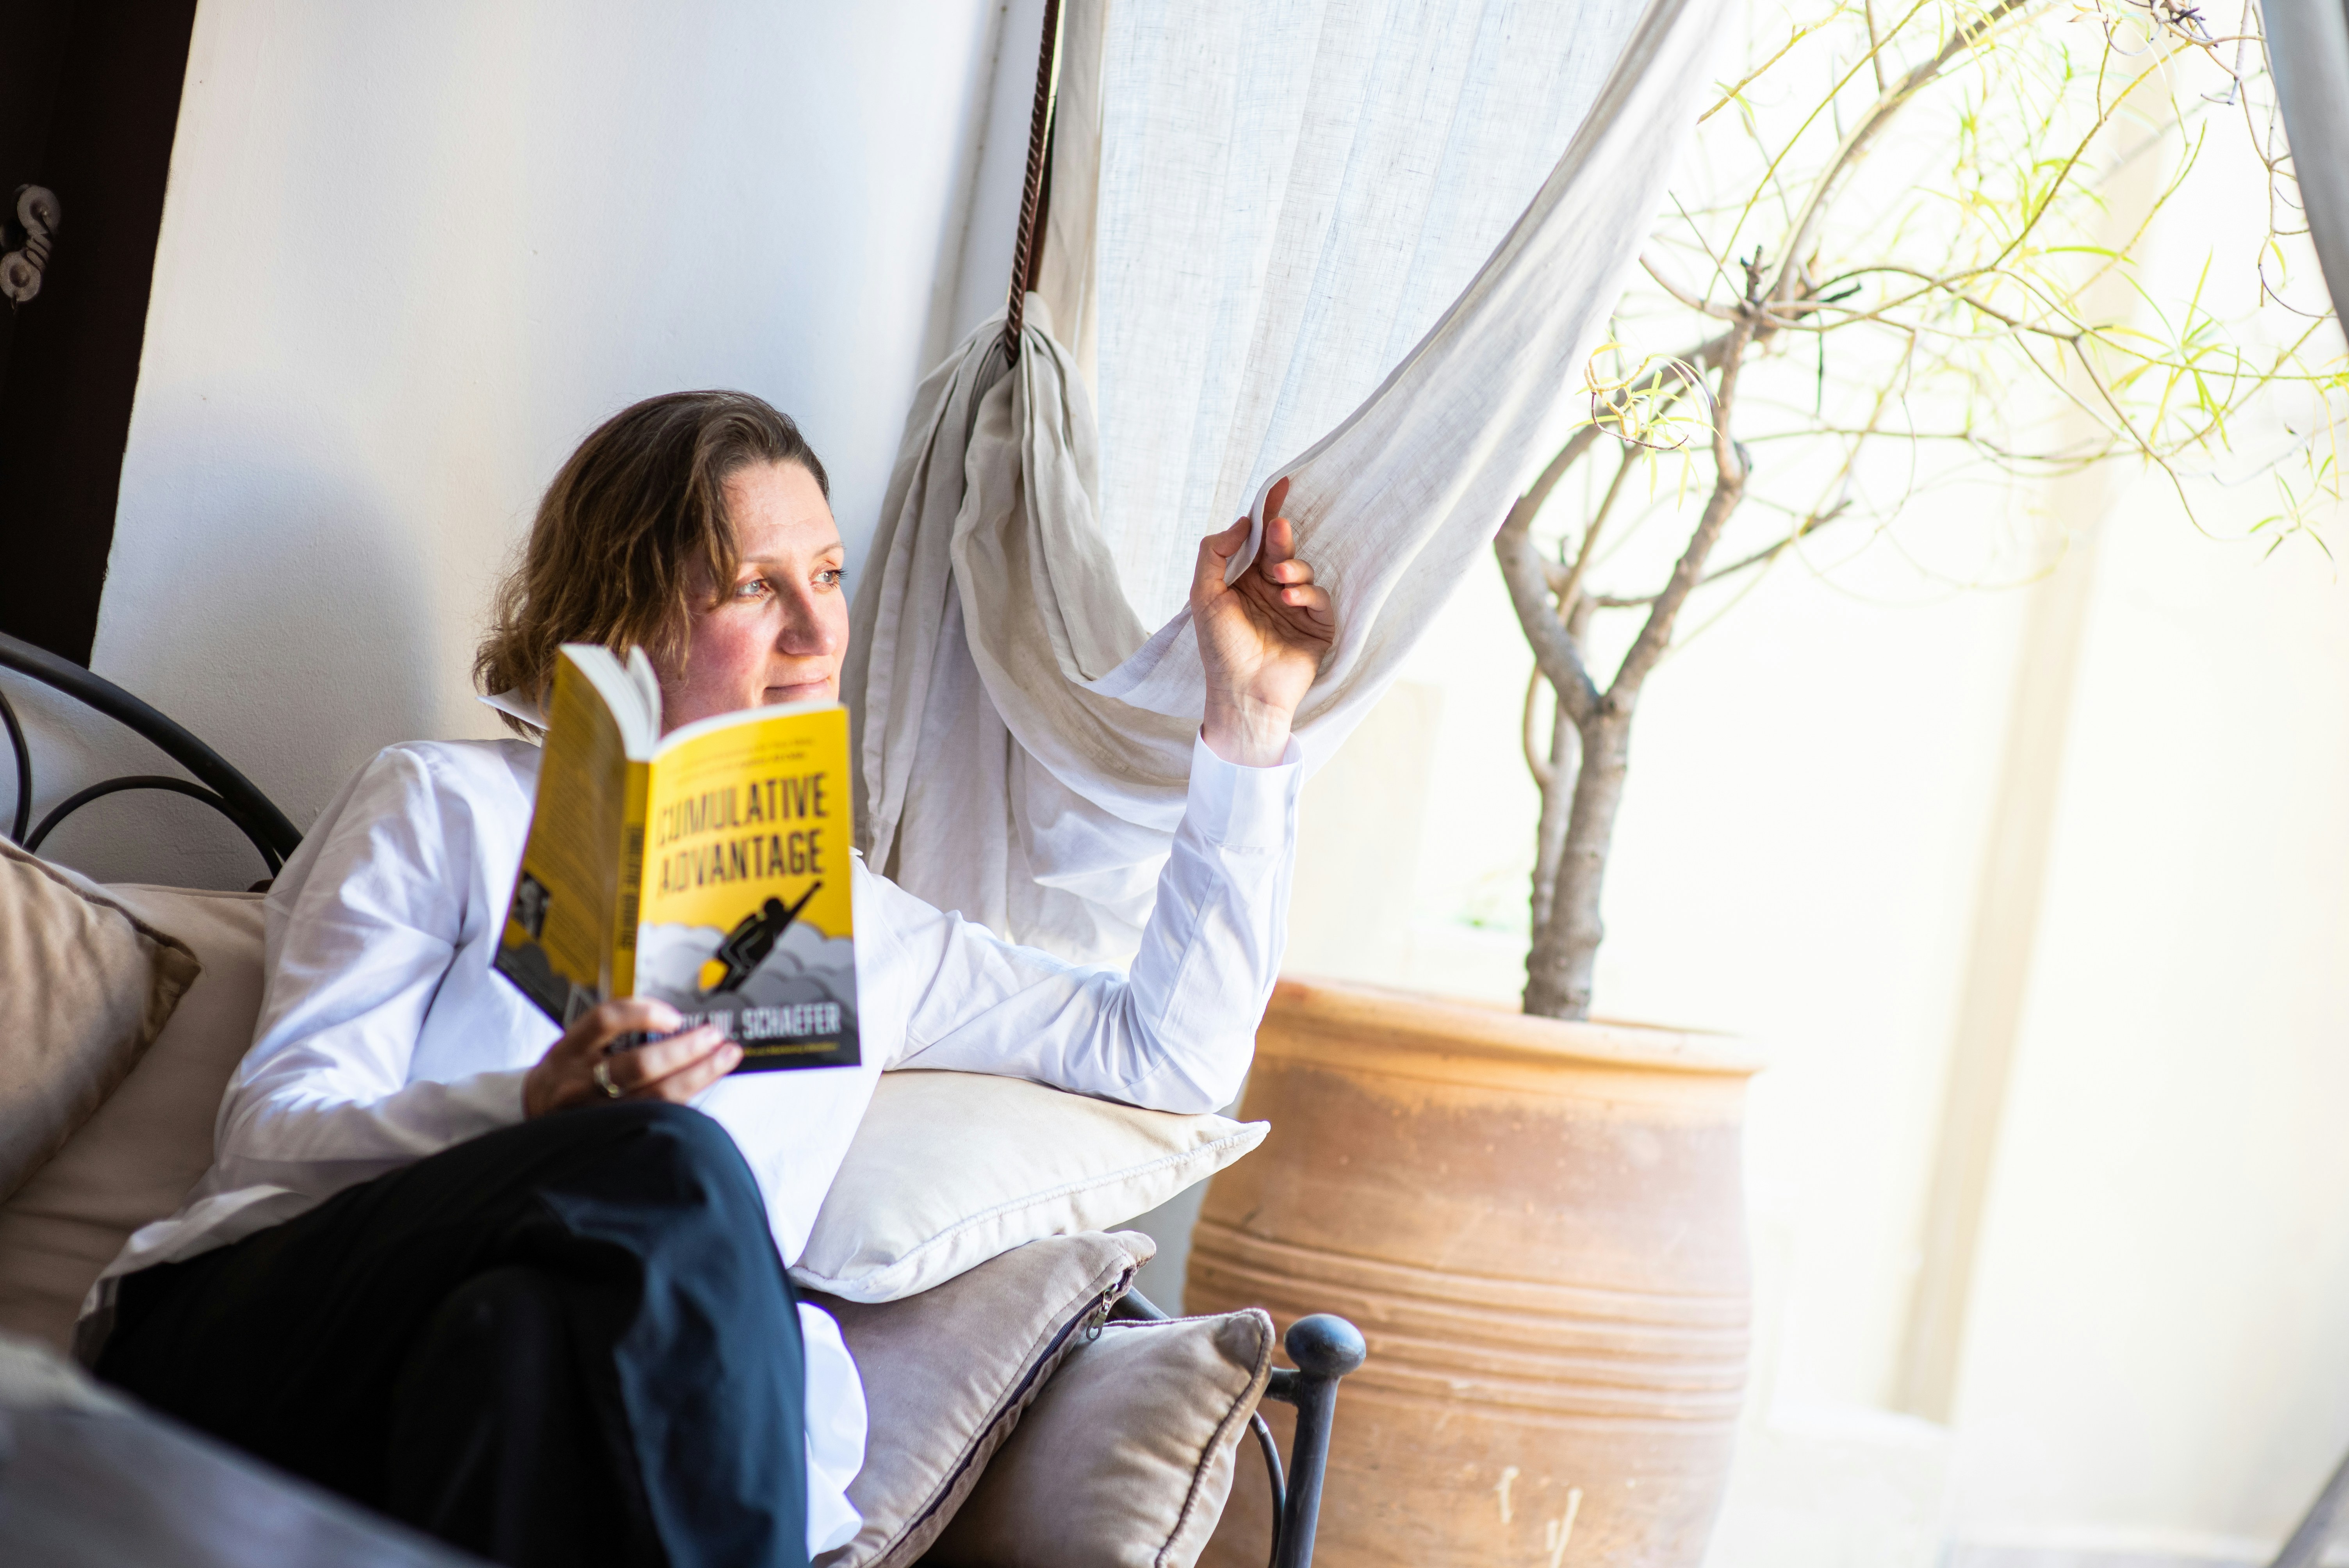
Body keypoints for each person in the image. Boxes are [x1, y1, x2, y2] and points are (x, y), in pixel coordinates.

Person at [84, 390, 1333, 1568]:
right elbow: (267, 1138)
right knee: (669, 1161)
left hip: (509, 1380)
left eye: (831, 576)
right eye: (756, 585)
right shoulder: (444, 806)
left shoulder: (866, 929)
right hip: (277, 1330)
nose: (818, 628)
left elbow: (1167, 1055)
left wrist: (1251, 721)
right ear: (629, 614)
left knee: (522, 1345)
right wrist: (527, 1118)